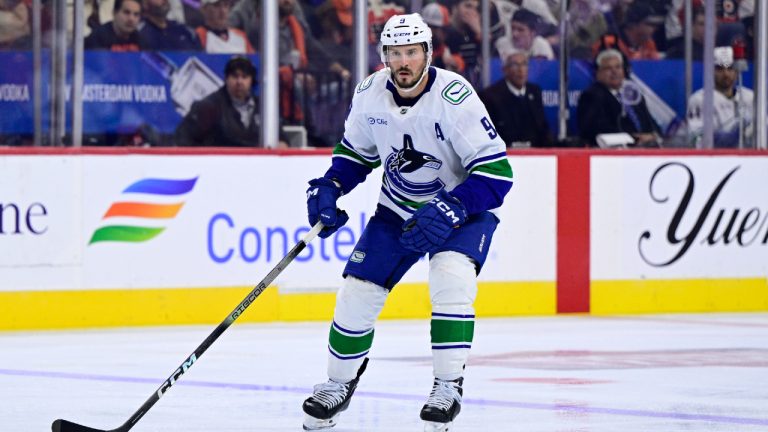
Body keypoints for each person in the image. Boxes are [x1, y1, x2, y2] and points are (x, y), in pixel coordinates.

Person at [300, 12, 513, 432]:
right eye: (394, 53)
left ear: (428, 54)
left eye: (412, 52)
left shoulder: (455, 96)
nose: (403, 62)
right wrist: (330, 185)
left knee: (451, 279)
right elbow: (356, 154)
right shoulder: (370, 93)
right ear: (383, 55)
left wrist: (452, 207)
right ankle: (337, 385)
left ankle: (448, 386)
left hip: (461, 212)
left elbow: (497, 175)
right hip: (398, 210)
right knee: (357, 292)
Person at [174, 56, 287, 147]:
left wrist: (280, 146)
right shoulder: (209, 106)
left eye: (244, 77)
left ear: (252, 80)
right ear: (226, 79)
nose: (239, 81)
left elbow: (283, 140)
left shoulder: (264, 107)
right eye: (235, 76)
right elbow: (183, 139)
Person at [577, 48, 661, 147]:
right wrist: (634, 137)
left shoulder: (632, 95)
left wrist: (654, 135)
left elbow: (650, 122)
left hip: (647, 149)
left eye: (618, 67)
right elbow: (593, 128)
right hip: (613, 152)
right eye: (608, 68)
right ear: (598, 73)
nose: (614, 72)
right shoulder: (591, 96)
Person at [686, 46, 754, 148]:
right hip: (714, 159)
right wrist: (730, 136)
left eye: (730, 68)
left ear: (736, 71)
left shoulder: (750, 97)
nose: (726, 74)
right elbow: (697, 139)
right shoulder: (699, 99)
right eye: (720, 69)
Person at [480, 52, 552, 147]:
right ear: (505, 70)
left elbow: (542, 127)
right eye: (515, 65)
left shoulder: (535, 92)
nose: (521, 70)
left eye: (524, 64)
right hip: (504, 153)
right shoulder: (490, 96)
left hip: (535, 153)